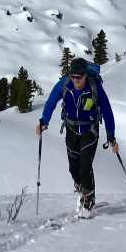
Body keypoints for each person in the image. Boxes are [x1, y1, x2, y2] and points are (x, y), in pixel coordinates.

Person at [35, 57, 117, 218]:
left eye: (79, 77)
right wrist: (44, 120)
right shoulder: (65, 84)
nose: (76, 80)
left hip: (89, 131)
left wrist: (111, 135)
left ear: (85, 75)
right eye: (73, 77)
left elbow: (107, 111)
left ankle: (89, 202)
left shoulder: (94, 86)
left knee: (85, 167)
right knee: (73, 168)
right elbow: (51, 101)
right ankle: (82, 191)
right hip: (71, 130)